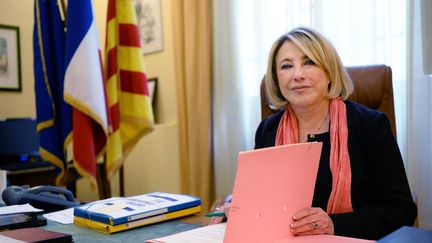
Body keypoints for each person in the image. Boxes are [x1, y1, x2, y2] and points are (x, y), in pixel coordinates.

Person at [210, 26, 417, 240]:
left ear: (329, 72)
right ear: (277, 79)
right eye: (286, 66)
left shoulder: (370, 126)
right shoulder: (267, 130)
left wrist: (334, 224)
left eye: (309, 62)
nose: (298, 75)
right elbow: (259, 201)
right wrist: (236, 210)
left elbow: (401, 210)